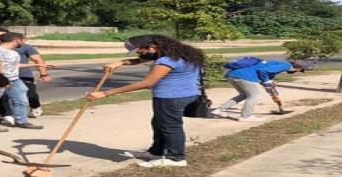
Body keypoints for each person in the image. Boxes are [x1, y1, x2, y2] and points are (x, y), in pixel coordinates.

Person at [86, 35, 203, 168]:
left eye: (140, 51)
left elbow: (147, 82)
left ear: (152, 48)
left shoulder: (166, 60)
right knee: (159, 124)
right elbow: (142, 60)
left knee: (170, 127)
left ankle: (176, 158)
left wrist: (105, 93)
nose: (139, 54)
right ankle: (156, 152)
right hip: (183, 95)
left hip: (171, 98)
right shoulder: (181, 55)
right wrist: (121, 62)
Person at [0, 32, 45, 132]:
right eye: (23, 40)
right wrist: (1, 82)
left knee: (21, 100)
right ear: (17, 40)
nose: (24, 42)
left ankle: (22, 121)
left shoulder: (13, 52)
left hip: (14, 80)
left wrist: (39, 66)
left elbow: (14, 65)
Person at [211, 58, 306, 121]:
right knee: (254, 96)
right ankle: (246, 116)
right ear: (296, 68)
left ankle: (219, 110)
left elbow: (264, 75)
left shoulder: (277, 64)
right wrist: (267, 81)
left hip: (232, 75)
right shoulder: (285, 65)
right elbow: (263, 71)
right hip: (245, 76)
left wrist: (269, 88)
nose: (295, 72)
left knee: (244, 95)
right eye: (299, 71)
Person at [16, 35, 53, 117]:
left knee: (31, 94)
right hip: (6, 76)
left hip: (25, 75)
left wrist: (44, 74)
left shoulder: (26, 47)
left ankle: (35, 107)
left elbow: (38, 60)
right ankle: (8, 114)